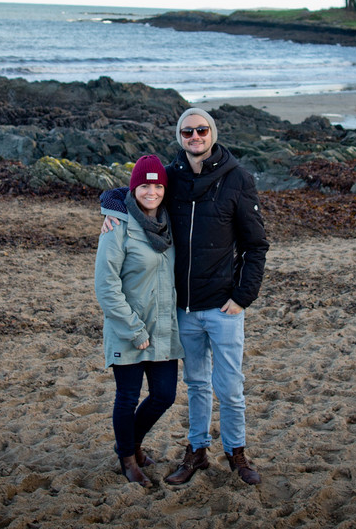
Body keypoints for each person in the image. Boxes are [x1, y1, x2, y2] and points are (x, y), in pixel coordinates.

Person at [102, 107, 269, 486]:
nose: (195, 136)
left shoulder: (238, 179)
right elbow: (130, 192)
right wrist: (107, 208)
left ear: (213, 132)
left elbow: (256, 245)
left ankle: (237, 453)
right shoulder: (172, 178)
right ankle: (197, 452)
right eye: (187, 131)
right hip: (183, 309)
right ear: (179, 137)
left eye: (202, 129)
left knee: (230, 386)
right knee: (195, 385)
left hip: (225, 306)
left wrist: (244, 296)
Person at [94, 154, 183, 488]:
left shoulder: (169, 223)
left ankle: (129, 442)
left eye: (157, 185)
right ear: (134, 188)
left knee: (164, 395)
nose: (151, 191)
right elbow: (105, 285)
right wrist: (133, 328)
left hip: (163, 329)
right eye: (144, 185)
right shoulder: (117, 226)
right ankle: (128, 459)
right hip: (128, 329)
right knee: (127, 398)